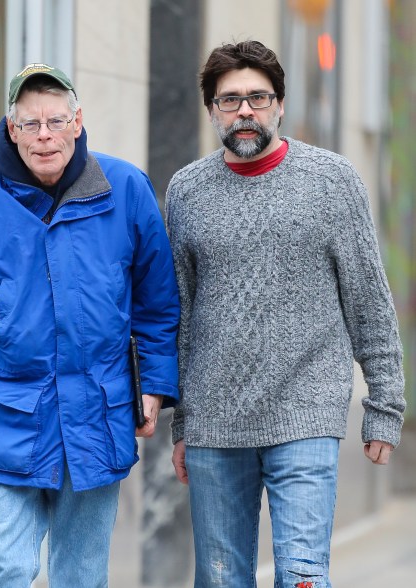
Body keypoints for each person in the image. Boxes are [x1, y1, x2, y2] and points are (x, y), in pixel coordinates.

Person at [0, 63, 179, 587]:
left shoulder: (125, 190)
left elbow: (158, 304)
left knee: (80, 576)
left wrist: (154, 384)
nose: (44, 136)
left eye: (56, 122)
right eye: (30, 124)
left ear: (78, 122)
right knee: (8, 566)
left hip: (97, 421)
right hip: (8, 420)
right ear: (11, 130)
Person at [167, 40, 405, 588]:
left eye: (257, 97)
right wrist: (183, 422)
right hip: (214, 422)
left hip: (306, 413)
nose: (244, 111)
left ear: (279, 105)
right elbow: (179, 310)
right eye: (230, 101)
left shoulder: (332, 181)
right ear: (211, 111)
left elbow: (367, 297)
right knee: (221, 579)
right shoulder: (186, 191)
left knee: (302, 577)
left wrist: (384, 404)